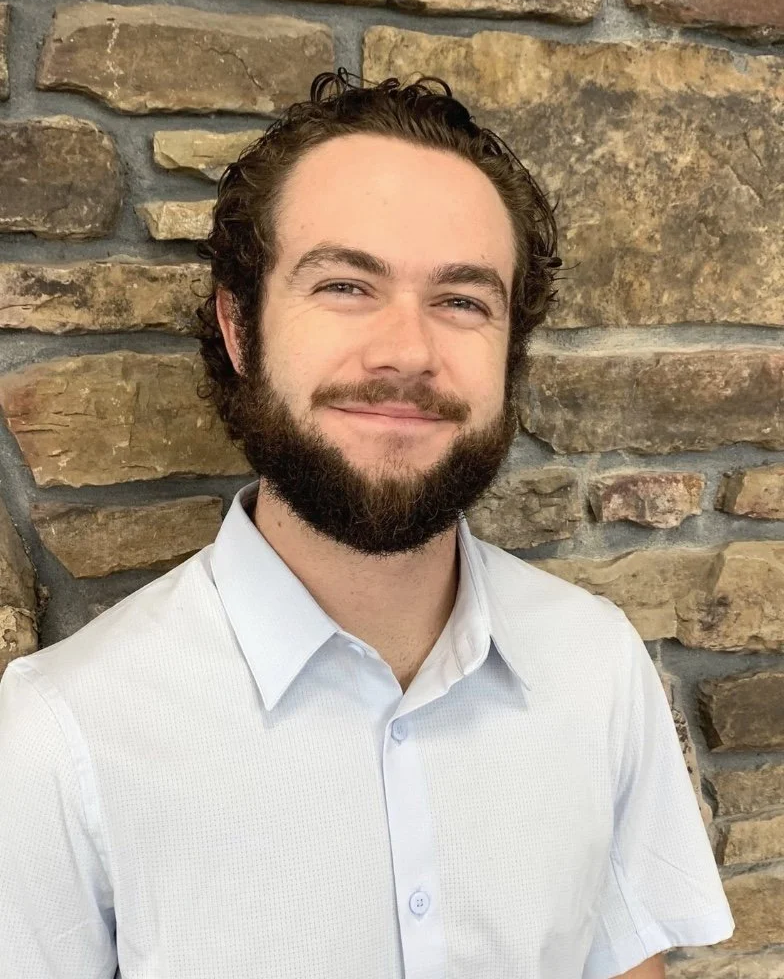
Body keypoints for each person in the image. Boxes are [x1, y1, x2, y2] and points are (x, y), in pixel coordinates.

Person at [0, 69, 734, 978]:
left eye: (463, 300)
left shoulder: (597, 664)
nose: (406, 353)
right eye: (346, 284)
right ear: (239, 327)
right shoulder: (59, 735)